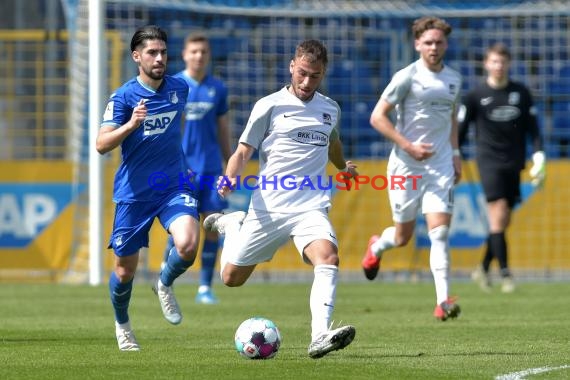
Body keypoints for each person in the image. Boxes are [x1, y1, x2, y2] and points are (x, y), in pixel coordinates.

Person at [202, 39, 357, 358]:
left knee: (328, 258)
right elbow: (243, 150)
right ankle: (233, 226)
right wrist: (231, 175)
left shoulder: (330, 109)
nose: (306, 82)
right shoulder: (269, 106)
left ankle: (319, 336)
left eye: (314, 76)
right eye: (302, 73)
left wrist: (343, 167)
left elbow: (333, 143)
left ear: (323, 73)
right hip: (268, 209)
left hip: (310, 207)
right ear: (291, 66)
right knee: (231, 278)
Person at [97, 25, 200, 351]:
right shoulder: (123, 97)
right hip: (134, 193)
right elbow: (101, 144)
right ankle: (123, 324)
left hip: (171, 185)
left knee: (187, 244)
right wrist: (131, 125)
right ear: (136, 56)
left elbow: (173, 129)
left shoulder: (179, 88)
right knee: (124, 271)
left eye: (163, 52)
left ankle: (164, 283)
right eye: (152, 53)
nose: (159, 58)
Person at [360, 16, 462, 321]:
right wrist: (408, 146)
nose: (433, 47)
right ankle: (377, 247)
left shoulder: (454, 79)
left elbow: (452, 119)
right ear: (417, 44)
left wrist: (455, 152)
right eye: (428, 42)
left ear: (445, 44)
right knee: (403, 236)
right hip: (406, 165)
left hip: (440, 164)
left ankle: (442, 301)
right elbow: (377, 117)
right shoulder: (406, 77)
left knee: (439, 233)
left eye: (438, 42)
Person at [458, 42, 545, 294]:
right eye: (494, 62)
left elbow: (534, 128)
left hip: (515, 162)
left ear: (508, 64)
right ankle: (506, 273)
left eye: (503, 62)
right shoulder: (475, 95)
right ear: (486, 64)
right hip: (488, 161)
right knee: (497, 213)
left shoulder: (521, 92)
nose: (498, 66)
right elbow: (461, 132)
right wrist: (455, 155)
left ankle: (483, 267)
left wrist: (538, 154)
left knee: (503, 219)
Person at [161, 32, 232, 305]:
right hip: (183, 170)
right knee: (182, 225)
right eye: (194, 51)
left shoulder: (218, 88)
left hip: (212, 169)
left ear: (208, 55)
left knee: (212, 226)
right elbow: (168, 130)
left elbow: (223, 129)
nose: (199, 56)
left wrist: (229, 165)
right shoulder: (174, 85)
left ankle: (204, 287)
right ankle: (166, 276)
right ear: (184, 55)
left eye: (203, 51)